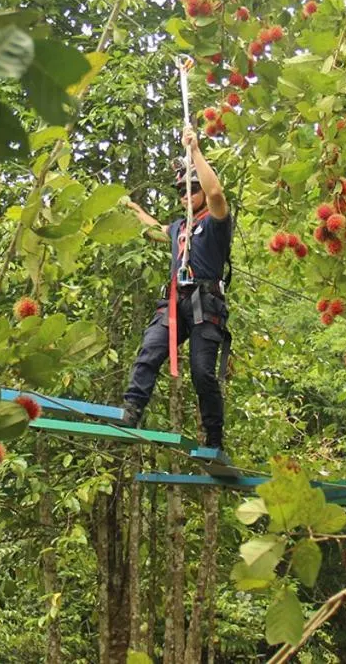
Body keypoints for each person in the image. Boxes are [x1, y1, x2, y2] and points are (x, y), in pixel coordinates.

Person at [120, 124, 232, 452]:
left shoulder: (216, 222)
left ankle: (213, 438)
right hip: (174, 302)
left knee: (202, 373)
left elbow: (216, 194)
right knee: (150, 350)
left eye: (191, 189)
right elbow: (154, 227)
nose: (186, 195)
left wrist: (195, 151)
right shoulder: (179, 227)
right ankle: (132, 408)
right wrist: (131, 208)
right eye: (181, 191)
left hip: (204, 303)